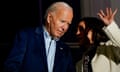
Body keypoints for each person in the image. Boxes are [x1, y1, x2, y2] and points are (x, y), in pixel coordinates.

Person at [4, 2, 75, 72]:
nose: (65, 27)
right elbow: (10, 67)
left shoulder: (65, 50)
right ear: (49, 18)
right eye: (62, 21)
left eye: (68, 24)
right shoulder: (26, 37)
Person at [75, 8, 120, 72]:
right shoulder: (80, 62)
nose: (77, 33)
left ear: (92, 30)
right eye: (77, 30)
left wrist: (110, 26)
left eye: (81, 29)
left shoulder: (110, 49)